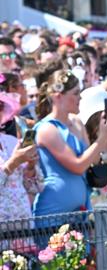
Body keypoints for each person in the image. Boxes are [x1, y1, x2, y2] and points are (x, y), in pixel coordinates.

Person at [32, 70, 107, 215]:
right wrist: (102, 138)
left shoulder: (77, 122)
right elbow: (78, 166)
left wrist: (103, 135)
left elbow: (93, 160)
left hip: (80, 211)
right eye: (75, 93)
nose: (80, 97)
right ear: (58, 97)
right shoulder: (47, 129)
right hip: (53, 212)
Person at [0, 92, 42, 221]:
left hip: (24, 228)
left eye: (0, 106)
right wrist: (14, 162)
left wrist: (30, 166)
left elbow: (36, 187)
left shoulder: (11, 141)